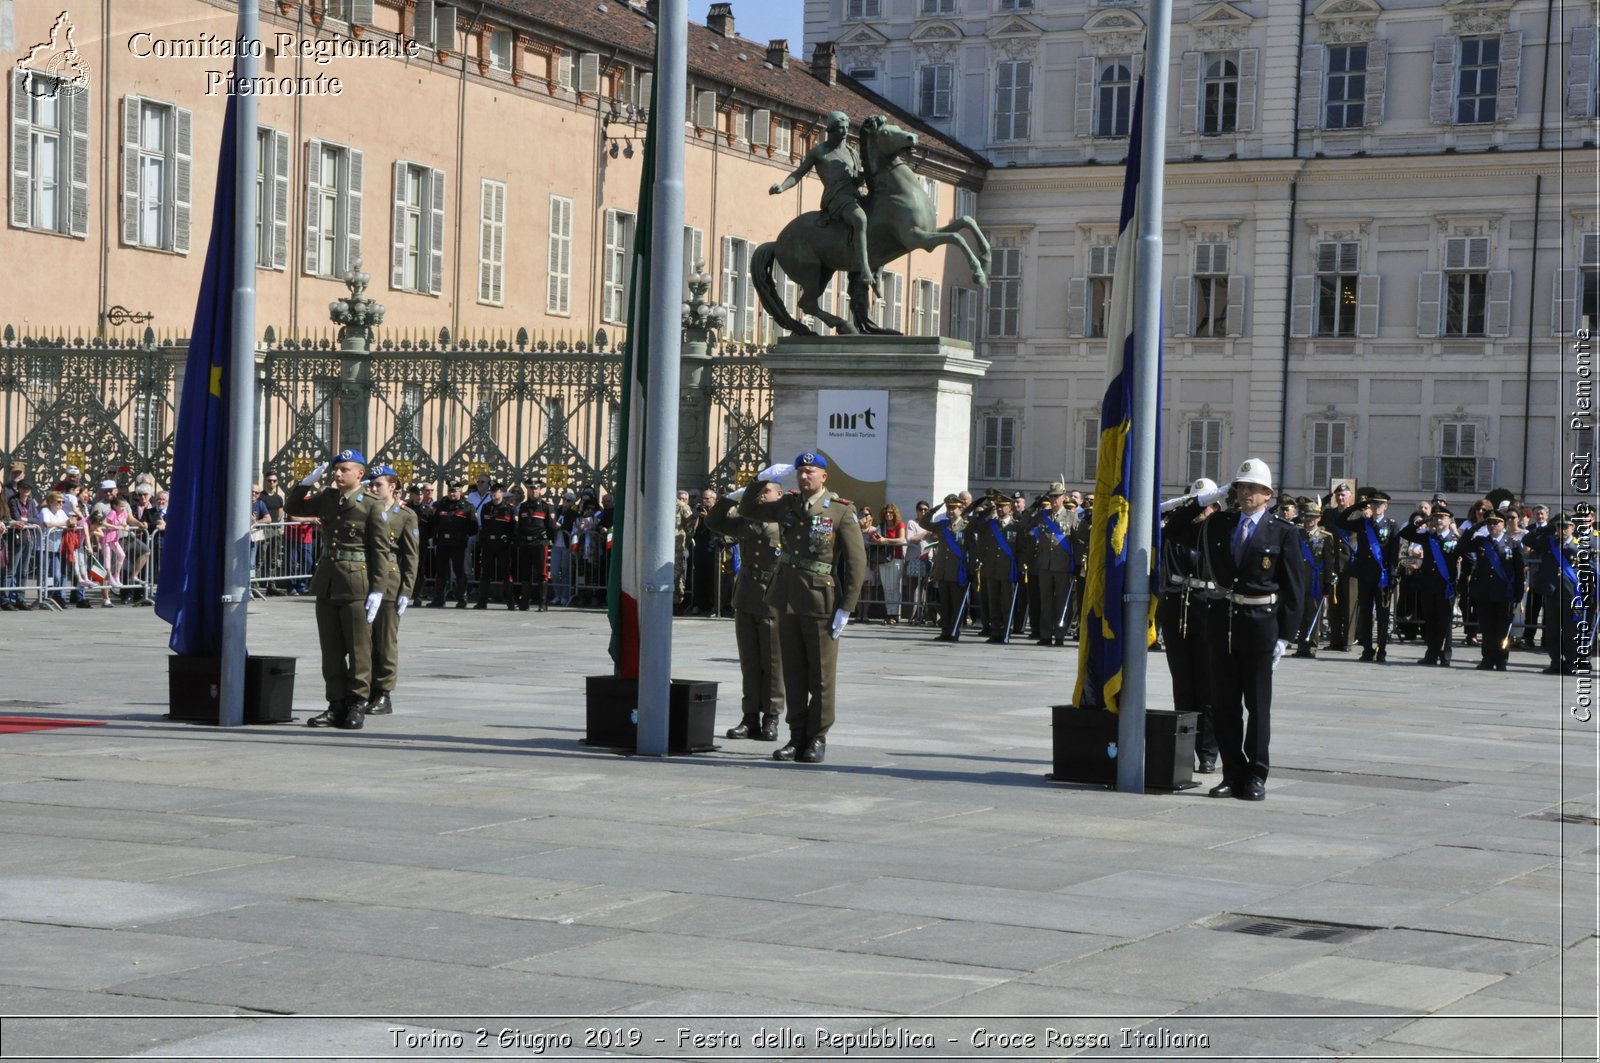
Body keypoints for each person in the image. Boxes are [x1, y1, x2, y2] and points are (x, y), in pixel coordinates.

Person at [738, 451, 867, 764]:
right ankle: (796, 737)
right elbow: (748, 509)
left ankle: (817, 736)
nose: (804, 476)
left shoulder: (839, 511)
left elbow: (856, 562)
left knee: (820, 676)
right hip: (786, 597)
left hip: (821, 601)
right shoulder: (787, 504)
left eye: (810, 471)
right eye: (800, 472)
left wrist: (847, 607)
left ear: (824, 476)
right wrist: (760, 479)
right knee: (794, 672)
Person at [1199, 459, 1305, 802]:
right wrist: (1208, 495)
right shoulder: (1221, 524)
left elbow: (1294, 589)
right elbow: (1178, 527)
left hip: (1261, 623)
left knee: (1258, 706)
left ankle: (1257, 774)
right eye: (1241, 487)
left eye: (1253, 488)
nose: (1246, 493)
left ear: (1267, 495)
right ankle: (1232, 773)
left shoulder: (1283, 532)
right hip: (1224, 621)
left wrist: (1285, 637)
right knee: (1224, 704)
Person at [284, 449, 389, 730]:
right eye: (336, 469)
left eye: (344, 469)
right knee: (330, 651)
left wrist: (378, 590)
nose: (338, 474)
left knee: (359, 649)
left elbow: (380, 552)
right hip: (328, 582)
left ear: (360, 473)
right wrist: (305, 483)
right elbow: (293, 507)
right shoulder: (327, 499)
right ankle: (335, 705)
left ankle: (357, 704)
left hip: (357, 585)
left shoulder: (372, 505)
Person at [704, 482, 785, 741]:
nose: (761, 497)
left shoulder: (785, 523)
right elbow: (713, 522)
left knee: (772, 663)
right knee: (749, 662)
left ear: (779, 495)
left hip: (774, 597)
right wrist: (730, 498)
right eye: (757, 493)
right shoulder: (746, 521)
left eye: (766, 492)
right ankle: (749, 717)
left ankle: (771, 718)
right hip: (747, 595)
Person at [768, 110, 877, 292]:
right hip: (836, 198)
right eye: (840, 128)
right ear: (831, 130)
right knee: (860, 219)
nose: (844, 132)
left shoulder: (852, 152)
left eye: (846, 128)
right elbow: (798, 173)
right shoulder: (820, 152)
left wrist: (862, 178)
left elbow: (857, 176)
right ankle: (865, 269)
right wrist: (782, 187)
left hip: (855, 194)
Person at [1159, 477, 1223, 773]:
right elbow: (1159, 519)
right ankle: (1183, 749)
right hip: (1177, 610)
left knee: (1208, 687)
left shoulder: (1219, 533)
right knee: (1183, 685)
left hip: (1208, 609)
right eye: (1196, 505)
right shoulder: (1174, 532)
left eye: (1205, 505)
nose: (1200, 511)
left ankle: (1208, 751)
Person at [366, 466, 418, 716]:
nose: (374, 489)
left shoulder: (405, 516)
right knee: (364, 640)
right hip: (366, 580)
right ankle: (364, 689)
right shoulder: (367, 509)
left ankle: (383, 692)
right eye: (372, 485)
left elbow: (411, 555)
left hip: (390, 582)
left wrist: (406, 590)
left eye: (379, 485)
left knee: (385, 640)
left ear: (393, 487)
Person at [1459, 508, 1523, 671]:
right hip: (1484, 591)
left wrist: (1518, 594)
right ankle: (1487, 658)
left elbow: (1519, 571)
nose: (1492, 526)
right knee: (1487, 628)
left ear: (1504, 524)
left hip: (1504, 593)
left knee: (1502, 629)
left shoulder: (1513, 544)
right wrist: (1475, 527)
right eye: (1489, 523)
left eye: (1495, 523)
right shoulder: (1481, 541)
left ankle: (1502, 659)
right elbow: (1462, 546)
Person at [1397, 504, 1461, 666]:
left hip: (1445, 587)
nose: (1439, 520)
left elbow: (1468, 558)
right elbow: (1405, 533)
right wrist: (1423, 520)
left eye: (1442, 517)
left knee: (1445, 622)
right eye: (1436, 517)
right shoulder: (1428, 536)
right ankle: (1431, 654)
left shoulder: (1454, 540)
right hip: (1428, 585)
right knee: (1431, 621)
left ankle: (1445, 656)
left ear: (1449, 520)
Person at [1340, 489, 1399, 663]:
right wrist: (1357, 506)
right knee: (1365, 613)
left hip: (1383, 576)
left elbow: (1394, 553)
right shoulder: (1363, 523)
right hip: (1365, 575)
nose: (1376, 506)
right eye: (1373, 503)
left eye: (1379, 504)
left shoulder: (1391, 525)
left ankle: (1381, 650)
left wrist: (1394, 574)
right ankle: (1367, 649)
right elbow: (1340, 521)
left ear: (1386, 506)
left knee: (1382, 614)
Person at [1525, 512, 1585, 674]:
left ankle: (1572, 663)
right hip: (1552, 593)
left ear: (1572, 528)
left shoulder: (1580, 546)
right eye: (1559, 526)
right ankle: (1555, 662)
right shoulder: (1548, 542)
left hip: (1572, 595)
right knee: (1552, 630)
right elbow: (1527, 540)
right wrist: (1545, 530)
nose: (1562, 529)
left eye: (1565, 526)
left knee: (1571, 631)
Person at [1031, 483, 1077, 647]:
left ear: (1064, 498)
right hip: (1045, 565)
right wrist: (1033, 507)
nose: (1053, 499)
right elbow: (1024, 525)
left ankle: (1059, 635)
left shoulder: (1071, 517)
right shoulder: (1043, 516)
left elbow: (1077, 541)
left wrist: (1076, 565)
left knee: (1062, 602)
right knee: (1046, 601)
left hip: (1063, 566)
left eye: (1057, 496)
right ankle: (1045, 635)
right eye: (1051, 496)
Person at [925, 494, 972, 640]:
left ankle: (954, 631)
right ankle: (945, 631)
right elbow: (924, 523)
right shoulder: (942, 525)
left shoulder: (966, 526)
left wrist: (971, 569)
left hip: (958, 571)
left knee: (956, 603)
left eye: (954, 508)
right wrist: (934, 509)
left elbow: (972, 548)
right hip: (943, 570)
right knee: (944, 603)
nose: (950, 511)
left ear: (961, 509)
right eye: (948, 508)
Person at [1319, 479, 1358, 651]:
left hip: (1350, 564)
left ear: (1350, 496)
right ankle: (1335, 640)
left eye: (1343, 495)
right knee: (1334, 606)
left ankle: (1348, 641)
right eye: (1338, 495)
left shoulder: (1357, 514)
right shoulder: (1329, 514)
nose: (1340, 498)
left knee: (1350, 604)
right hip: (1333, 563)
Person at [429, 483, 477, 607]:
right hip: (443, 543)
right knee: (441, 571)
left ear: (460, 491)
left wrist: (462, 533)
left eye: (454, 491)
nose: (452, 494)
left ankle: (462, 598)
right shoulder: (442, 505)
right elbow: (435, 523)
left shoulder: (467, 507)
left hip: (458, 544)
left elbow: (473, 528)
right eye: (450, 491)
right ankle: (439, 599)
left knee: (459, 571)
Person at [514, 483, 560, 611]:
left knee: (542, 573)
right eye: (531, 489)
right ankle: (525, 602)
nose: (534, 492)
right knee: (525, 573)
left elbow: (551, 526)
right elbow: (520, 526)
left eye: (536, 489)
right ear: (527, 490)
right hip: (525, 543)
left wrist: (549, 540)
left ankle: (542, 603)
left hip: (540, 543)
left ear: (540, 490)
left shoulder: (546, 507)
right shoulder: (523, 507)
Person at [475, 483, 518, 609]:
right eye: (492, 492)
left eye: (497, 491)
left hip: (502, 545)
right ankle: (482, 601)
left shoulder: (509, 508)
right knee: (485, 573)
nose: (494, 494)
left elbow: (513, 527)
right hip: (489, 544)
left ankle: (510, 601)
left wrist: (509, 541)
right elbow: (483, 525)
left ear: (502, 493)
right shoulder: (486, 507)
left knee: (505, 573)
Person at [873, 503, 908, 624]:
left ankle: (895, 614)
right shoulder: (881, 526)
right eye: (886, 512)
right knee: (887, 588)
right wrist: (876, 539)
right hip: (884, 559)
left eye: (891, 512)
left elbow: (902, 539)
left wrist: (886, 540)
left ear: (895, 514)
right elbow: (875, 538)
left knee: (894, 587)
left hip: (896, 558)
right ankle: (888, 613)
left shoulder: (900, 525)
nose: (888, 514)